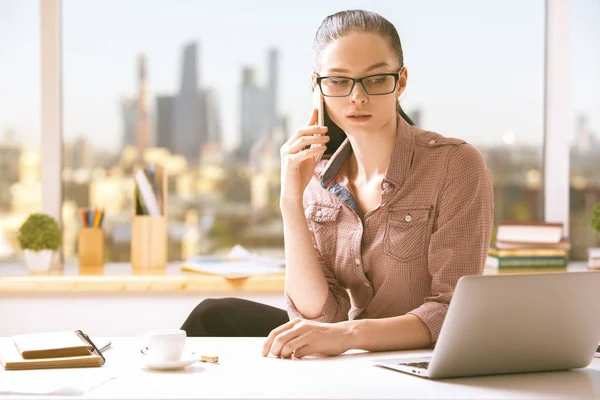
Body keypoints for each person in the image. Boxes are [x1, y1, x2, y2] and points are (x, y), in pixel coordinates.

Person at [181, 9, 494, 359]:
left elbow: (450, 311)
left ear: (401, 82)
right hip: (352, 352)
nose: (357, 98)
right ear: (318, 87)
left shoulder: (455, 165)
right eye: (339, 81)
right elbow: (321, 314)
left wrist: (347, 335)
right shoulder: (319, 179)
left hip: (415, 358)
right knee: (213, 316)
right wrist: (290, 202)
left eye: (375, 80)